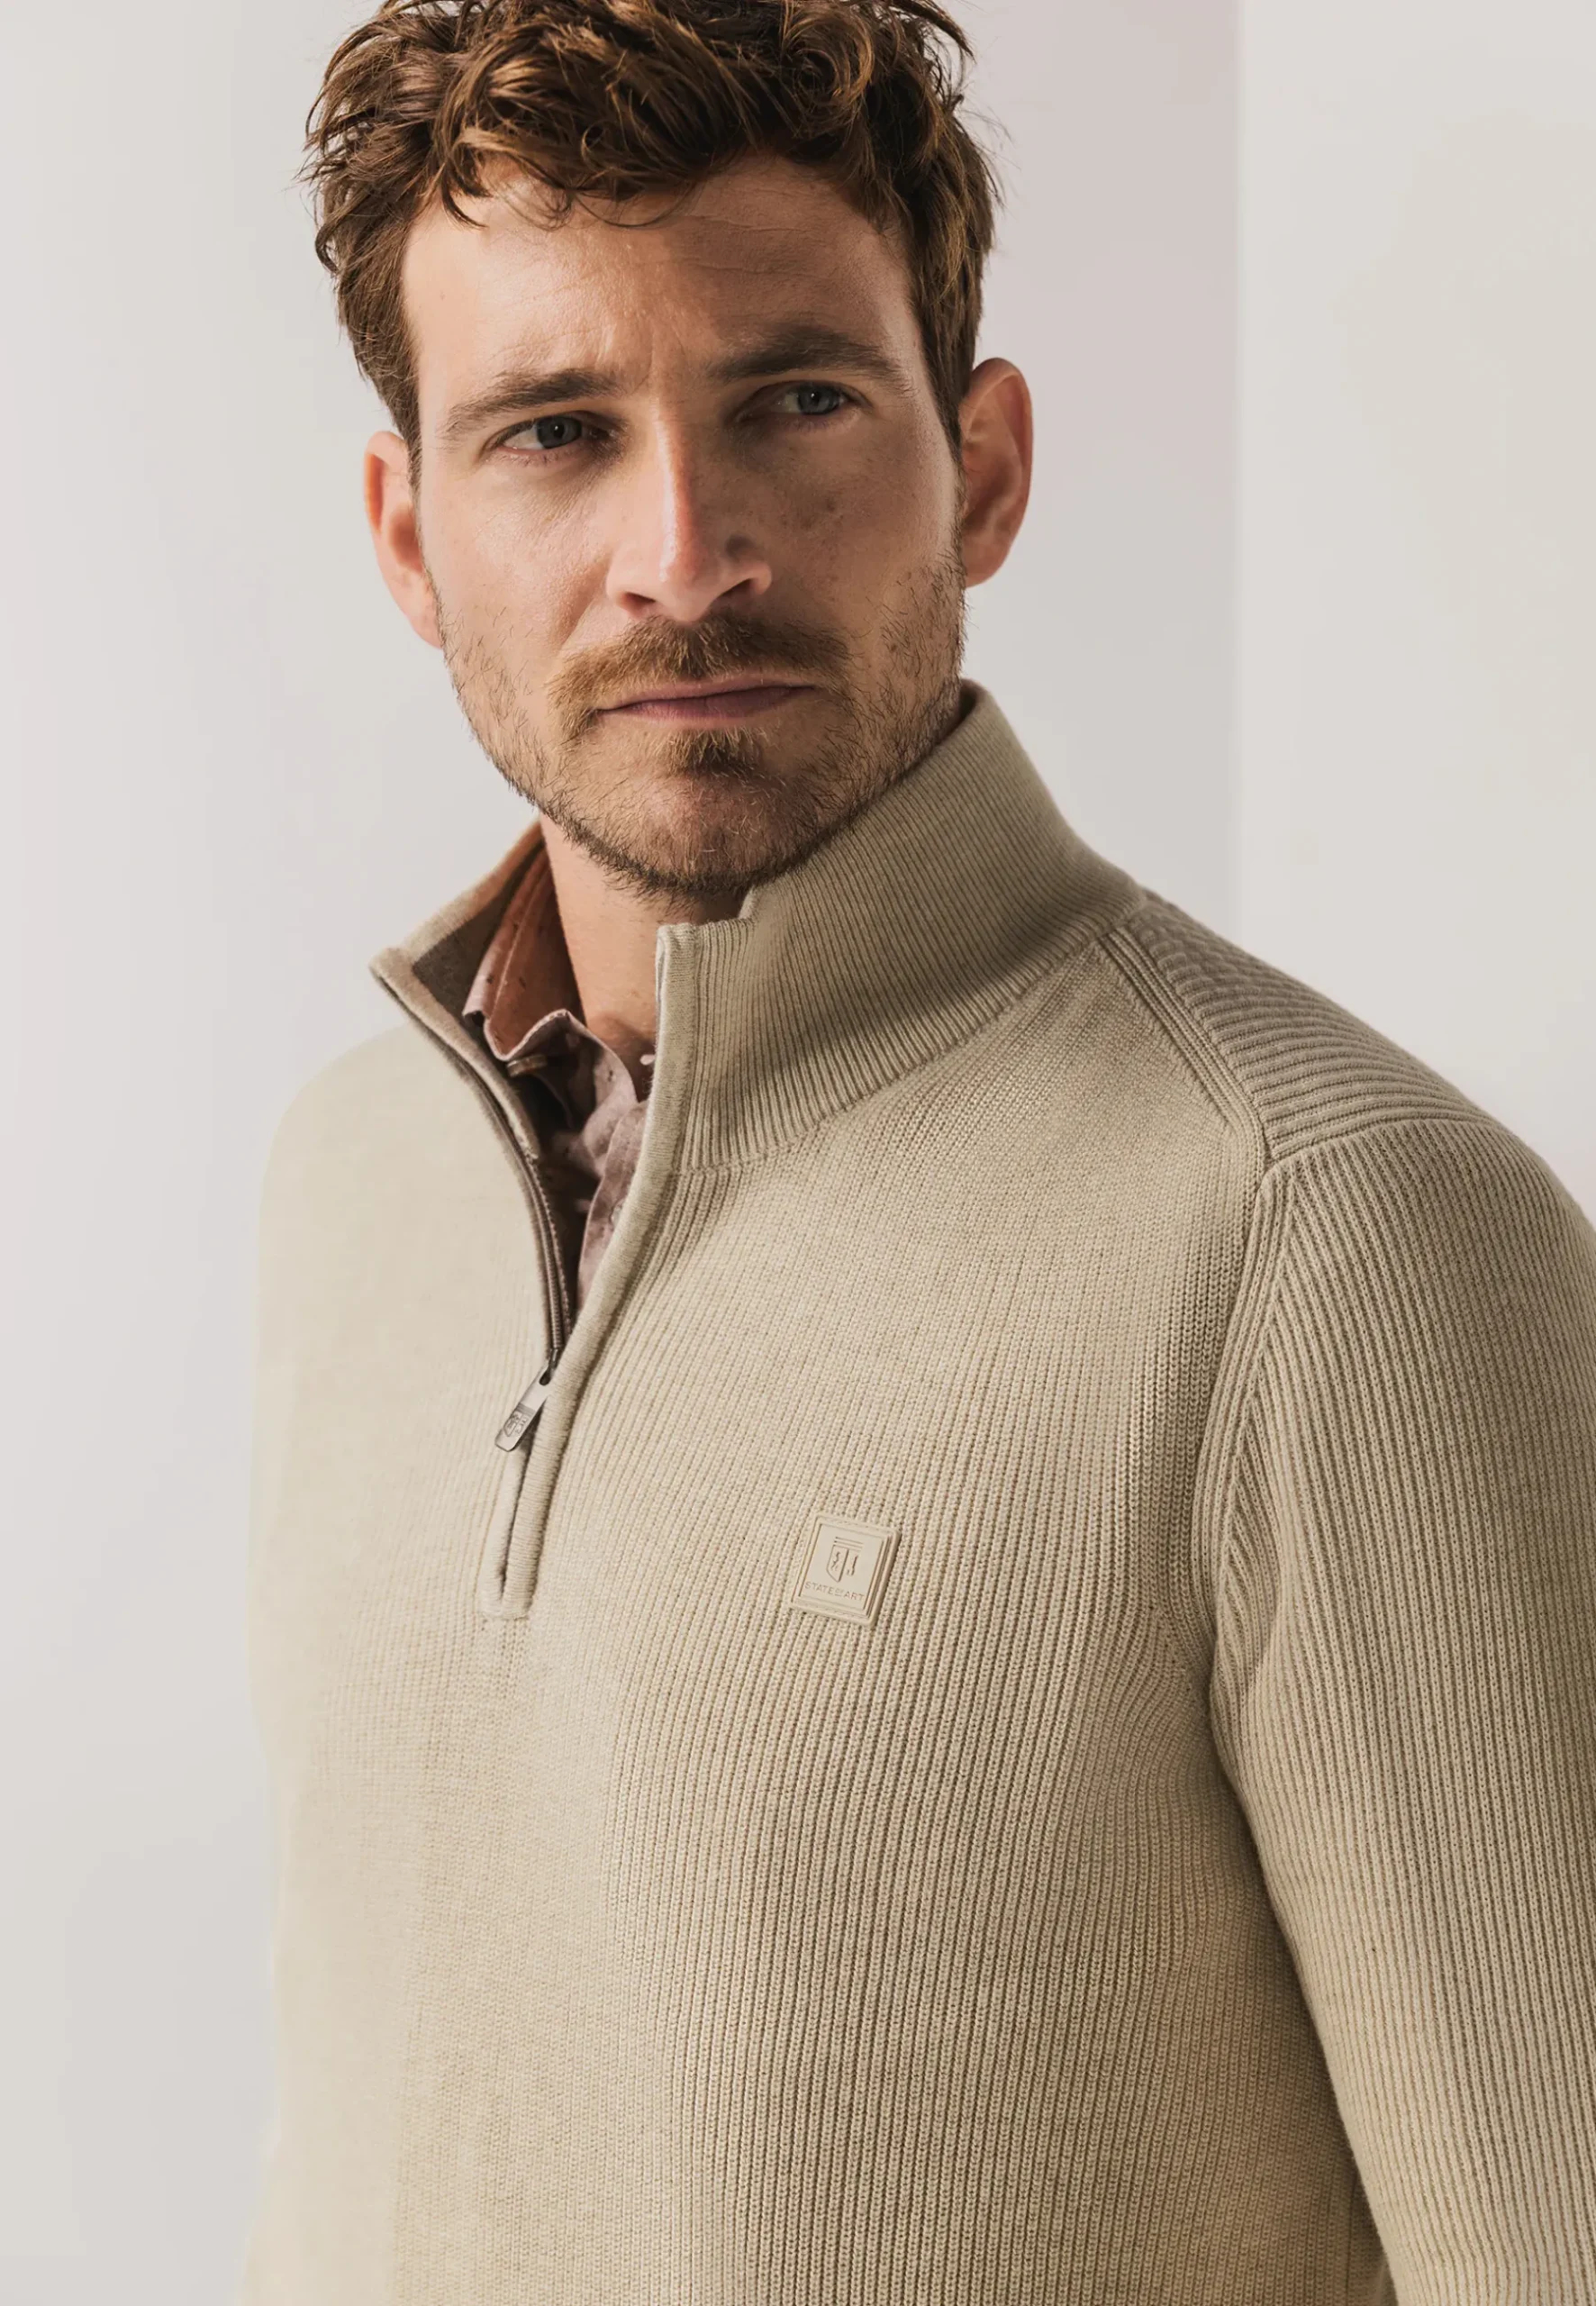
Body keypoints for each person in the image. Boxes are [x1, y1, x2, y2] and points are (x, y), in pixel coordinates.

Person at [240, 3, 1596, 2300]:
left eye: (793, 401)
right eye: (556, 432)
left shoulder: (1327, 1228)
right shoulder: (353, 1182)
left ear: (980, 464)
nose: (685, 554)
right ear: (409, 530)